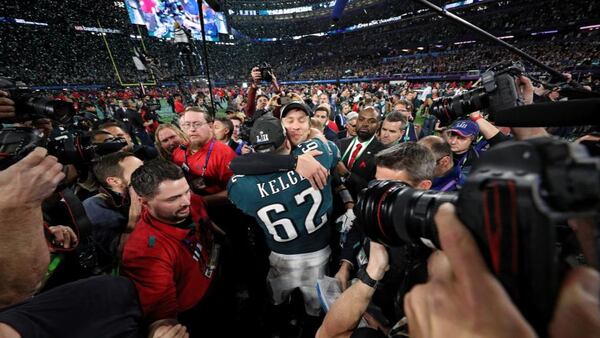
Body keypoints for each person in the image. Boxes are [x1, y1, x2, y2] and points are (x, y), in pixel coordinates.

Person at [227, 114, 339, 338]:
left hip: (281, 254)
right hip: (320, 251)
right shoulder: (317, 153)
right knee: (316, 309)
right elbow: (323, 141)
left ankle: (281, 329)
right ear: (287, 141)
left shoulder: (241, 186)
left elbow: (238, 166)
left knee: (278, 301)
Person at [323, 143, 436, 338]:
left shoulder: (434, 250)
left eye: (392, 189)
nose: (378, 196)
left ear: (423, 187)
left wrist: (393, 329)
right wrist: (345, 265)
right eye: (376, 184)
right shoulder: (374, 204)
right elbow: (357, 228)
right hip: (362, 295)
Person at [121, 159, 229, 337]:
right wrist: (163, 329)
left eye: (186, 191)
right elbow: (160, 312)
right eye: (173, 199)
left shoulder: (191, 202)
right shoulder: (144, 251)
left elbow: (202, 212)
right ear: (143, 202)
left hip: (216, 277)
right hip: (198, 310)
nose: (186, 201)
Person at [83, 152, 144, 270]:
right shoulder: (94, 206)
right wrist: (134, 215)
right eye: (139, 171)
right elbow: (122, 252)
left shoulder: (141, 189)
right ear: (114, 181)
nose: (147, 173)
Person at [171, 107, 236, 206]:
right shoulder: (179, 152)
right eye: (187, 125)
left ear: (210, 126)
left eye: (197, 124)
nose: (192, 129)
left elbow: (236, 190)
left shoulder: (224, 154)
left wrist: (201, 201)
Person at [335, 106, 385, 199]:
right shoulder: (341, 143)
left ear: (378, 125)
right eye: (361, 119)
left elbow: (374, 189)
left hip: (358, 205)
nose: (365, 124)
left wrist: (347, 174)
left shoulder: (383, 153)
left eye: (371, 121)